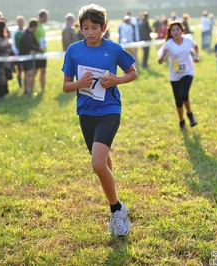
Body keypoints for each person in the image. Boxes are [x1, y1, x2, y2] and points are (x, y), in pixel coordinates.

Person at [62, 3, 137, 237]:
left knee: (97, 164)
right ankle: (116, 200)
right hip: (86, 113)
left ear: (104, 27)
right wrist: (78, 84)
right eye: (86, 28)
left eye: (95, 27)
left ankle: (116, 210)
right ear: (80, 28)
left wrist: (117, 80)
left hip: (109, 110)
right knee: (103, 163)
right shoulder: (73, 51)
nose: (91, 32)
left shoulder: (114, 49)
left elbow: (132, 72)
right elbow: (65, 86)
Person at [157, 21, 199, 131]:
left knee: (184, 94)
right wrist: (163, 55)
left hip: (188, 71)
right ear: (170, 33)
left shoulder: (188, 40)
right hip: (175, 74)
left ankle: (190, 114)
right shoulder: (168, 44)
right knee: (178, 100)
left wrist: (197, 56)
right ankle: (181, 120)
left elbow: (196, 46)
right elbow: (160, 61)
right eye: (173, 30)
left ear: (182, 31)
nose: (176, 32)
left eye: (178, 29)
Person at [19, 18, 43, 95]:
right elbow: (29, 45)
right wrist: (38, 48)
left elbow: (35, 42)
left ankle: (29, 88)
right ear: (34, 27)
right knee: (28, 72)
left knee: (30, 73)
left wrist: (39, 47)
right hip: (24, 56)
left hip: (30, 56)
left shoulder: (31, 34)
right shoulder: (25, 35)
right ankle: (26, 90)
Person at [0, 18, 12, 100]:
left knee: (5, 77)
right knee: (0, 78)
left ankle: (5, 92)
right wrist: (4, 45)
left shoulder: (5, 36)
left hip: (6, 60)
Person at [32, 9, 49, 91]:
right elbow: (31, 38)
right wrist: (36, 47)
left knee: (43, 71)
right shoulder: (35, 25)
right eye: (46, 17)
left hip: (43, 53)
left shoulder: (42, 25)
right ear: (42, 17)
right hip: (36, 53)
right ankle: (31, 88)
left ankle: (43, 89)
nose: (47, 19)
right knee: (34, 72)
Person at [11, 15, 25, 88]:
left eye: (21, 22)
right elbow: (13, 44)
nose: (20, 23)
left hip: (26, 54)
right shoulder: (15, 33)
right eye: (19, 22)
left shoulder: (25, 31)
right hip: (18, 54)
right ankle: (20, 84)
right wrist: (17, 53)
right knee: (20, 69)